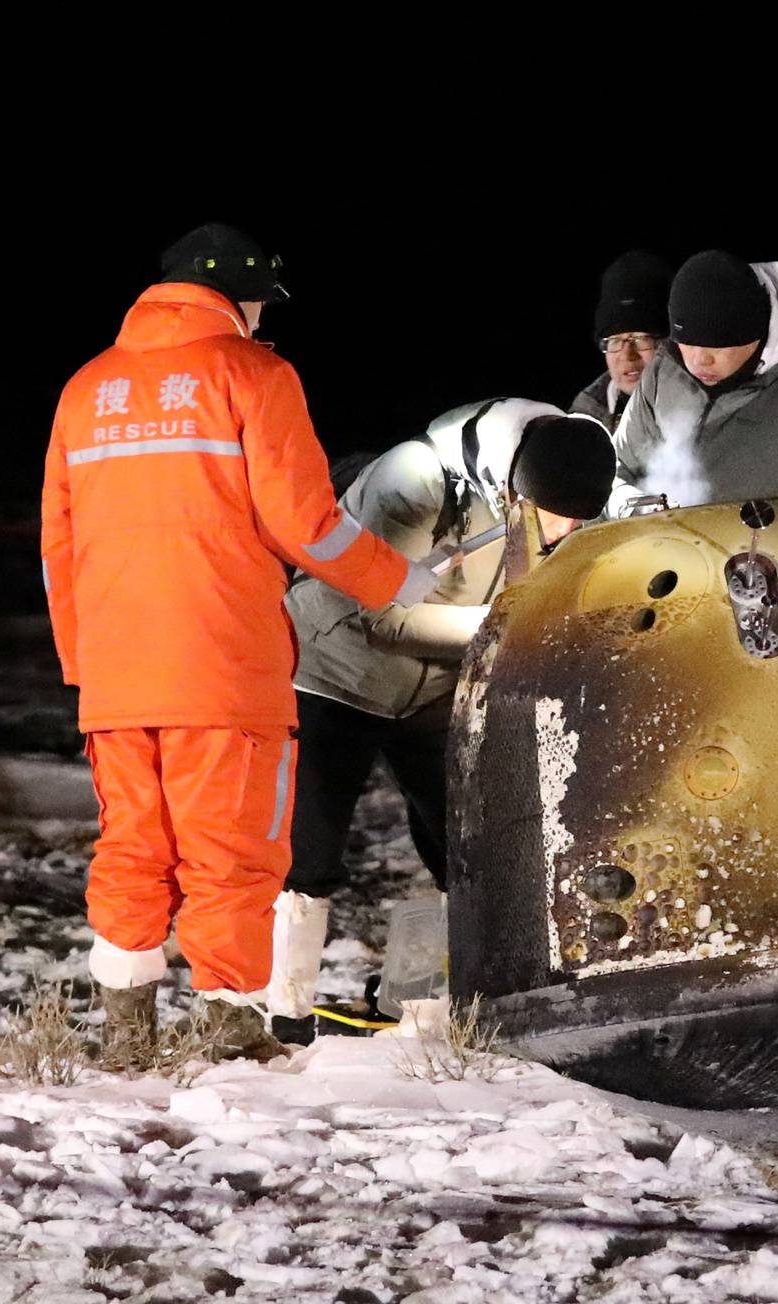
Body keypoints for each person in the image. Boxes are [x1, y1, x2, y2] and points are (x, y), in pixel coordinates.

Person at [41, 222, 438, 1065]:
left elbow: (57, 545)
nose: (264, 317)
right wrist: (399, 581)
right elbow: (307, 525)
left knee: (131, 847)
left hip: (117, 675)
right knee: (230, 850)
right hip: (223, 664)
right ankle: (227, 1031)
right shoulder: (255, 375)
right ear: (240, 296)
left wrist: (86, 664)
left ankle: (127, 1036)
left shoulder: (87, 389)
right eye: (261, 302)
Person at [279, 401, 615, 1036]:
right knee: (311, 851)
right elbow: (382, 616)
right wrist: (506, 626)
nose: (562, 529)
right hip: (334, 671)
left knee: (453, 847)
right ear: (515, 481)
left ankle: (414, 1002)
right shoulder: (414, 480)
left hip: (434, 685)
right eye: (554, 515)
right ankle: (283, 1011)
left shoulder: (559, 479)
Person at [609, 250, 778, 513]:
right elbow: (615, 471)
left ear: (757, 336)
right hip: (659, 555)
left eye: (718, 345)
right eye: (688, 342)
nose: (700, 360)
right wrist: (629, 505)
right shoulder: (663, 375)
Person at [571, 251, 671, 429]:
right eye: (614, 341)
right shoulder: (586, 417)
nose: (627, 355)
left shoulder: (708, 413)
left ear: (668, 342)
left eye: (640, 339)